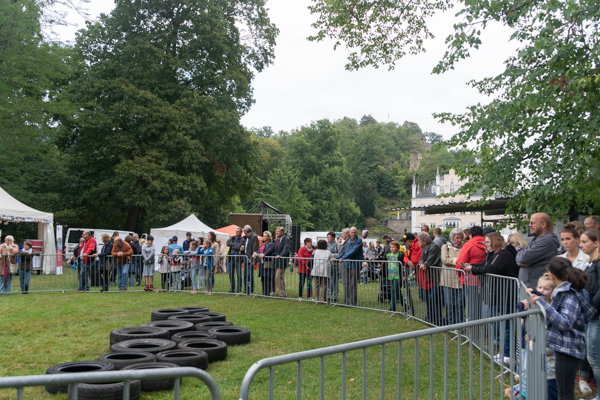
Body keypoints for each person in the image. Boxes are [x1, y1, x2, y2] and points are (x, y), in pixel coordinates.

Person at [530, 257, 596, 400]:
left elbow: (566, 323)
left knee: (565, 394)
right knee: (563, 391)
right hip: (565, 347)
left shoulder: (570, 294)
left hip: (568, 348)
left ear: (552, 275)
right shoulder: (567, 291)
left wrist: (543, 303)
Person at [464, 233, 519, 363]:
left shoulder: (504, 255)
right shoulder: (493, 255)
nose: (485, 244)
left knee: (505, 325)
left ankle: (508, 353)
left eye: (487, 242)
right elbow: (483, 266)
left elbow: (492, 268)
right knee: (499, 324)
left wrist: (472, 268)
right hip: (496, 295)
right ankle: (503, 351)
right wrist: (471, 266)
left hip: (504, 296)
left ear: (495, 242)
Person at [578, 228, 600, 395]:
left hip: (596, 316)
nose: (581, 245)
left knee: (595, 359)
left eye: (584, 242)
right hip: (592, 315)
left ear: (596, 243)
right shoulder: (592, 262)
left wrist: (591, 310)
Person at [516, 213, 560, 288]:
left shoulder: (547, 241)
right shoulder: (535, 240)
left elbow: (523, 258)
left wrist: (522, 260)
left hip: (537, 288)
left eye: (532, 223)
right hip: (528, 287)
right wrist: (521, 262)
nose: (529, 225)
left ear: (543, 225)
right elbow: (518, 257)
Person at [456, 226, 486, 322]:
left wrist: (458, 272)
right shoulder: (488, 243)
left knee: (471, 305)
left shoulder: (468, 244)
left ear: (471, 235)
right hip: (486, 278)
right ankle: (485, 327)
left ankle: (473, 329)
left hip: (470, 278)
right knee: (484, 303)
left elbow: (461, 261)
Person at [333, 227, 363, 306]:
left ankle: (352, 302)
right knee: (346, 283)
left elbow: (353, 251)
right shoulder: (349, 241)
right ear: (349, 233)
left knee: (353, 284)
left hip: (354, 265)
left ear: (356, 232)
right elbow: (344, 252)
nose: (353, 234)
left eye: (354, 232)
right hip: (346, 264)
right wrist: (337, 258)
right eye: (352, 232)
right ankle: (346, 301)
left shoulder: (359, 240)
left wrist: (343, 258)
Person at [417, 232, 442, 325]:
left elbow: (430, 261)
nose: (418, 243)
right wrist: (421, 263)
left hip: (436, 277)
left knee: (434, 298)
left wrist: (424, 264)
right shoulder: (424, 248)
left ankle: (438, 319)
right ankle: (430, 316)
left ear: (424, 241)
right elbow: (421, 259)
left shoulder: (433, 247)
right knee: (428, 298)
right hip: (429, 276)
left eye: (419, 241)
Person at [440, 228, 464, 325]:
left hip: (459, 279)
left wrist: (453, 261)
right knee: (449, 304)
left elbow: (465, 259)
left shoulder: (464, 247)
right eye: (457, 237)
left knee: (460, 304)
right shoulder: (445, 246)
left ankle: (459, 323)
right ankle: (450, 323)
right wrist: (458, 261)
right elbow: (445, 260)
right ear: (452, 237)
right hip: (448, 279)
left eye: (461, 237)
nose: (459, 240)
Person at [400, 233, 420, 315]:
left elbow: (415, 260)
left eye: (405, 242)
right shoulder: (408, 249)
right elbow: (405, 257)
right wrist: (408, 262)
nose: (404, 244)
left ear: (409, 241)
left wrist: (412, 263)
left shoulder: (416, 246)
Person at [385, 240, 406, 312]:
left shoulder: (400, 256)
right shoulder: (388, 255)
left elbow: (403, 266)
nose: (392, 249)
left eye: (393, 247)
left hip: (398, 276)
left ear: (397, 248)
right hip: (391, 275)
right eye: (391, 247)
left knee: (394, 291)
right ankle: (406, 306)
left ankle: (392, 307)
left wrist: (403, 275)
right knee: (397, 292)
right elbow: (382, 259)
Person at [255, 231, 275, 297]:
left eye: (265, 236)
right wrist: (256, 254)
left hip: (267, 263)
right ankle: (264, 293)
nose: (264, 237)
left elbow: (268, 252)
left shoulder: (271, 244)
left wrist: (260, 254)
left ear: (269, 237)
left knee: (267, 278)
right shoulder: (262, 244)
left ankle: (267, 293)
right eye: (263, 235)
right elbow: (258, 251)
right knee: (263, 278)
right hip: (262, 263)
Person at [273, 226, 290, 298]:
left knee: (278, 276)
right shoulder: (277, 240)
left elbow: (286, 249)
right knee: (281, 277)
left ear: (282, 232)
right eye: (276, 231)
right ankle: (283, 293)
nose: (276, 233)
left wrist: (281, 255)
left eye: (278, 231)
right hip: (277, 261)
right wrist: (264, 254)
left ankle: (281, 293)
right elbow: (272, 248)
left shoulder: (286, 239)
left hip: (282, 261)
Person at [226, 227, 244, 293]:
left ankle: (239, 289)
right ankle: (232, 289)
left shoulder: (242, 239)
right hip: (231, 258)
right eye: (236, 231)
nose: (236, 232)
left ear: (241, 232)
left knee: (239, 274)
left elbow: (239, 247)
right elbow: (227, 243)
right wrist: (235, 245)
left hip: (237, 258)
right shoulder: (232, 238)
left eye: (238, 231)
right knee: (231, 274)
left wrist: (233, 245)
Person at [243, 225, 259, 294]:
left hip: (251, 258)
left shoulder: (254, 236)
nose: (243, 231)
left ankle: (251, 290)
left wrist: (253, 260)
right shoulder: (246, 237)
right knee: (245, 274)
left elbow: (255, 249)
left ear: (246, 231)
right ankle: (246, 289)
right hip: (246, 257)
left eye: (244, 230)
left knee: (250, 274)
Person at [326, 231, 342, 302]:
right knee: (328, 281)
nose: (328, 238)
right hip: (328, 265)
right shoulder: (326, 245)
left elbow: (340, 254)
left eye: (329, 237)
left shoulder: (337, 245)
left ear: (333, 237)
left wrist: (332, 256)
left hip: (335, 265)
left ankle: (335, 296)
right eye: (327, 237)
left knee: (334, 281)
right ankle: (329, 295)